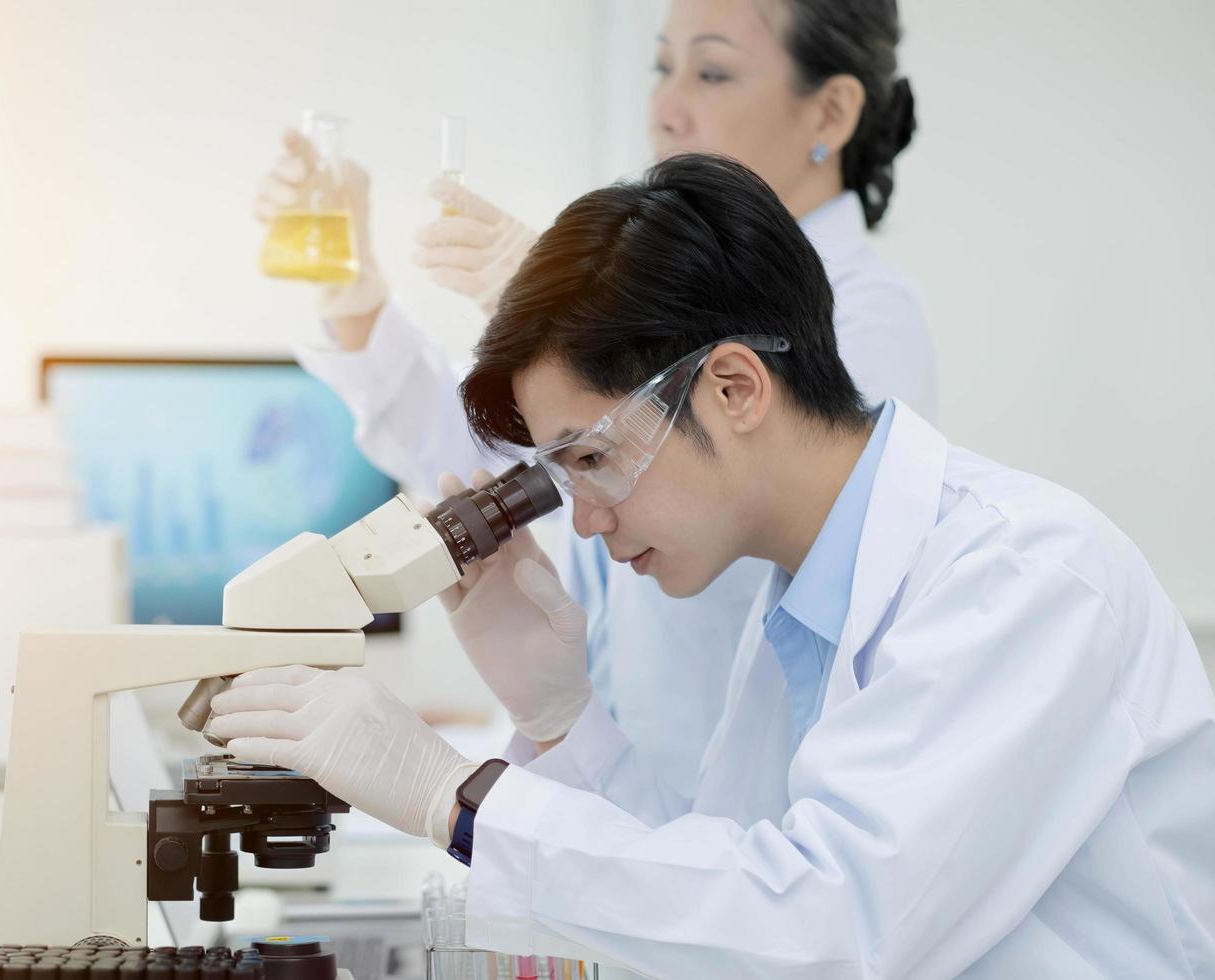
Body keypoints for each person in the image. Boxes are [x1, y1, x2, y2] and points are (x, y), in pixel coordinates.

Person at [213, 154, 1215, 976]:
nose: (588, 520)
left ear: (734, 387)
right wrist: (562, 723)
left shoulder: (1022, 575)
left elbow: (826, 929)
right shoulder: (795, 603)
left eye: (593, 458)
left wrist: (455, 791)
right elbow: (708, 893)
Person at [254, 0, 937, 788]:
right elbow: (496, 461)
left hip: (726, 809)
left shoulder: (871, 316)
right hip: (632, 799)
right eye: (661, 66)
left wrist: (580, 323)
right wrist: (357, 298)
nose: (666, 108)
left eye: (712, 71)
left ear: (832, 108)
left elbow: (764, 513)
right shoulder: (676, 321)